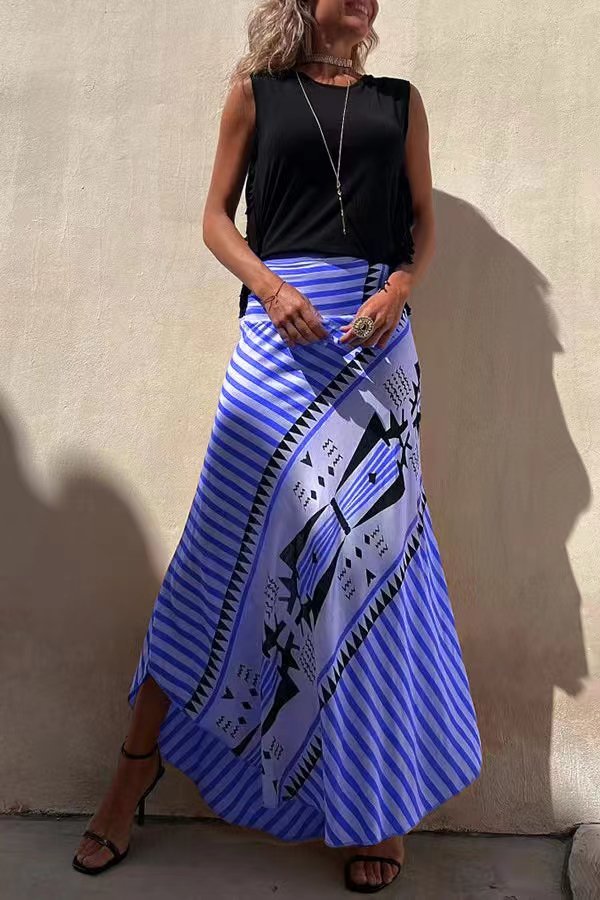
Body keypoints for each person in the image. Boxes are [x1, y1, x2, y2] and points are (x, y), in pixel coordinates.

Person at [72, 0, 482, 892]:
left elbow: (422, 222)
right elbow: (216, 219)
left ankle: (375, 804)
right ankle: (131, 775)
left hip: (376, 346)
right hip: (278, 340)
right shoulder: (255, 94)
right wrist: (270, 288)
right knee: (215, 561)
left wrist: (399, 291)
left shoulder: (400, 101)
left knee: (369, 567)